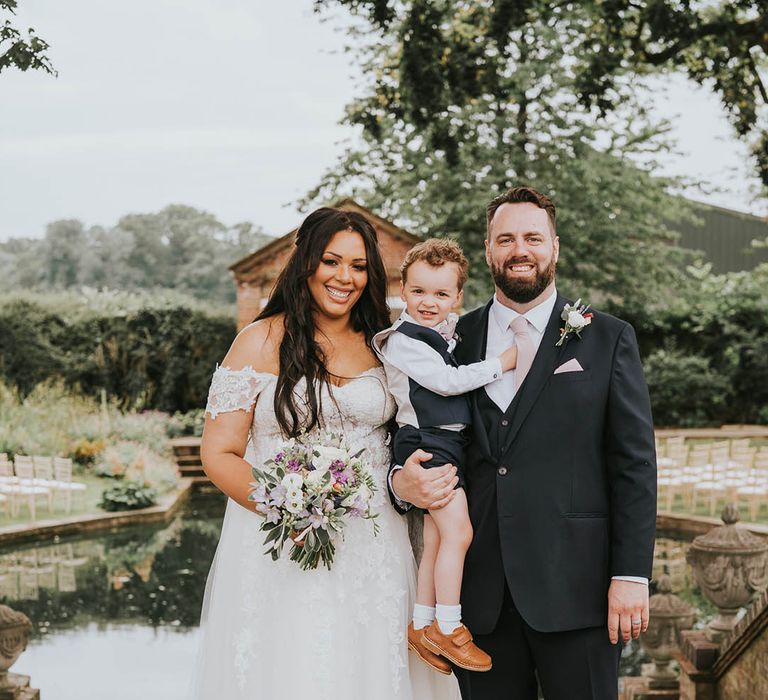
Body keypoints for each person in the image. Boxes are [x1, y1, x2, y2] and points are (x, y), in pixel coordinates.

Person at [391, 186, 657, 700]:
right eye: (505, 238)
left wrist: (630, 575)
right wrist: (402, 480)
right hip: (474, 598)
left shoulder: (607, 338)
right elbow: (398, 427)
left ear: (554, 246)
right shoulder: (445, 338)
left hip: (579, 591)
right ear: (488, 249)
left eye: (533, 237)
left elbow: (634, 465)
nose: (520, 249)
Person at [190, 207, 459, 699]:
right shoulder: (259, 341)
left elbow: (416, 429)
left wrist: (411, 478)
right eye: (332, 261)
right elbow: (220, 452)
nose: (345, 277)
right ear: (306, 263)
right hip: (285, 546)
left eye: (358, 266)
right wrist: (286, 508)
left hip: (378, 546)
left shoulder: (387, 343)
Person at [373, 238, 518, 676]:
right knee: (460, 535)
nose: (428, 303)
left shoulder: (442, 333)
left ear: (457, 297)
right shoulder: (402, 340)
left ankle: (420, 624)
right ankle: (450, 626)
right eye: (418, 292)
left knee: (436, 539)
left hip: (446, 444)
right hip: (427, 444)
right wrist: (503, 362)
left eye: (441, 294)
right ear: (402, 289)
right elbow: (445, 381)